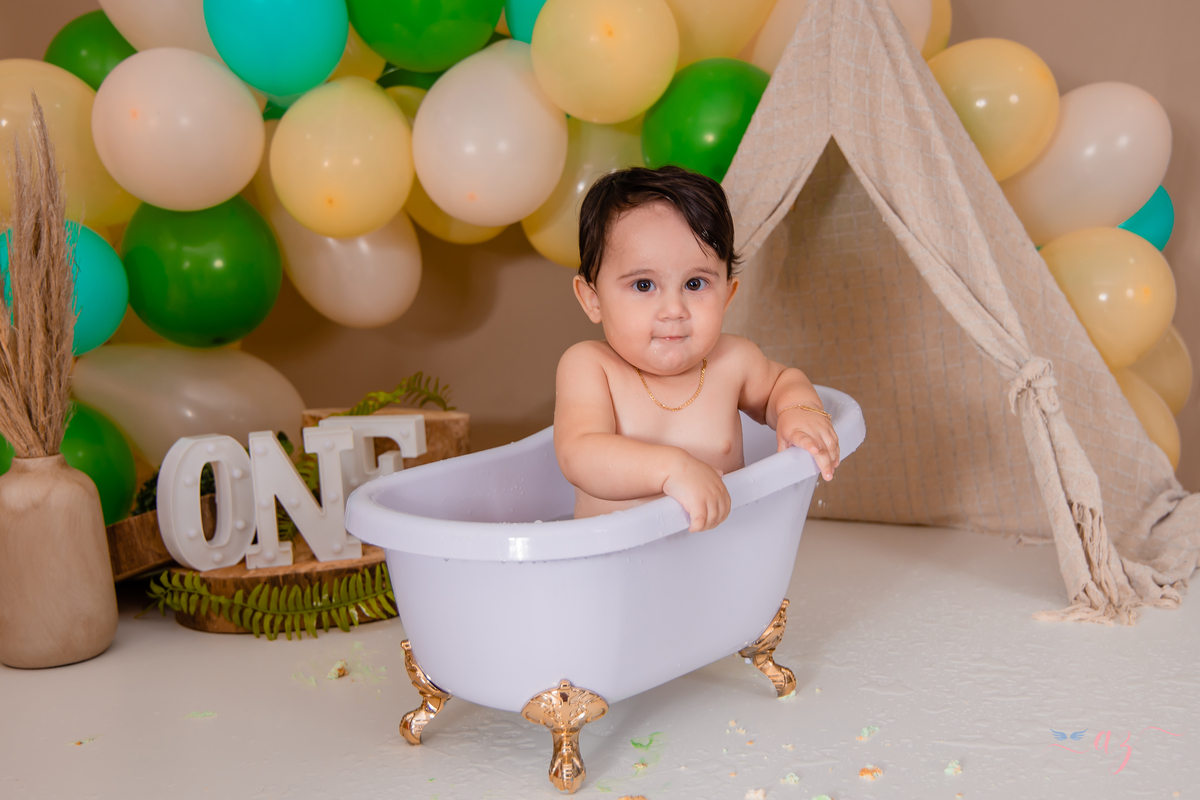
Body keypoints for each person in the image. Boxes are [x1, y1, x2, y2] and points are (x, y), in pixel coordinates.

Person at [554, 166, 840, 532]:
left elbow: (783, 382)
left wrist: (798, 410)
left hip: (720, 556)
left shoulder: (734, 360)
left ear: (727, 296)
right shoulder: (591, 366)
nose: (674, 310)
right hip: (617, 561)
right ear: (593, 299)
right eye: (643, 285)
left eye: (694, 283)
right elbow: (579, 453)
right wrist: (672, 469)